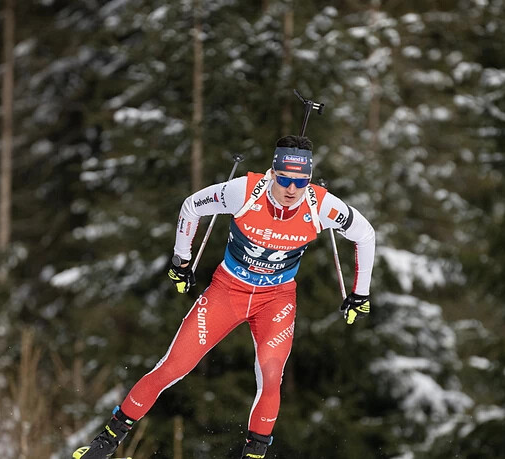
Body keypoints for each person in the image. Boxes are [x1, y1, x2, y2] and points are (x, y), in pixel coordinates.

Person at [73, 135, 376, 459]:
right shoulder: (244, 192)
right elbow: (192, 206)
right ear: (272, 174)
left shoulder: (320, 205)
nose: (291, 190)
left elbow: (365, 234)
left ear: (308, 180)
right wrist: (181, 261)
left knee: (271, 378)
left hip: (276, 299)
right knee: (173, 367)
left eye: (300, 182)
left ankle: (254, 455)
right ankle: (105, 443)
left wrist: (361, 294)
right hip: (228, 291)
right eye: (285, 179)